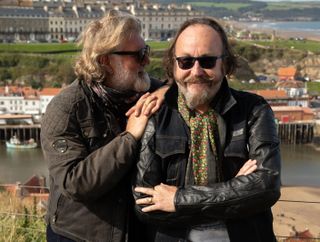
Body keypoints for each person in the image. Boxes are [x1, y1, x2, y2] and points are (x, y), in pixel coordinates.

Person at [132, 17, 281, 242]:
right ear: (173, 65)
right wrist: (234, 193)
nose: (196, 70)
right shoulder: (156, 117)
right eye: (185, 62)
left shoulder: (254, 110)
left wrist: (179, 200)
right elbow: (144, 205)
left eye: (208, 61)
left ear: (226, 64)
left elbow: (267, 186)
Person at [41, 10, 168, 242]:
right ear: (105, 61)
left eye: (146, 51)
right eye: (138, 55)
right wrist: (129, 137)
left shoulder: (146, 90)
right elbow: (74, 182)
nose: (147, 61)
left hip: (137, 230)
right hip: (81, 235)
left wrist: (166, 91)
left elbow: (179, 86)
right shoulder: (66, 108)